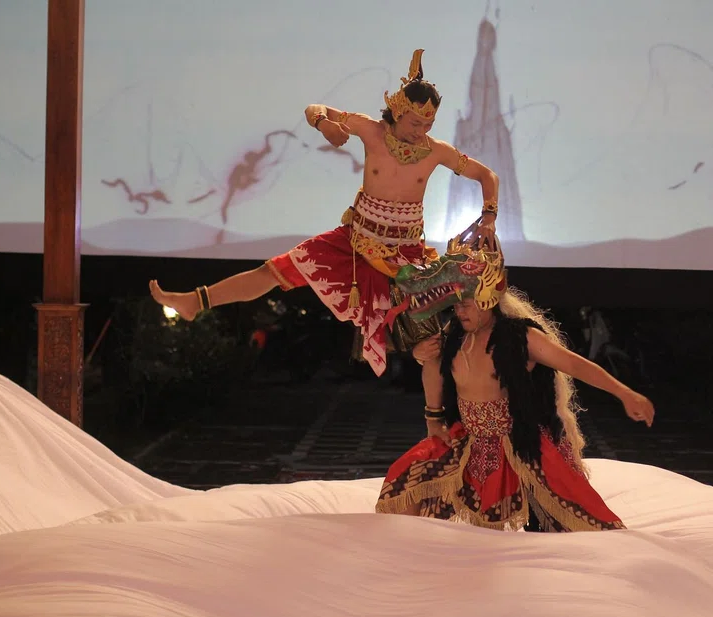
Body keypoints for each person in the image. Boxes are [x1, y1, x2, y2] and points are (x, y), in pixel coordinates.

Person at [149, 49, 499, 376]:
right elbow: (314, 108)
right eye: (414, 123)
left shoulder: (437, 151)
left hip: (405, 255)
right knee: (273, 271)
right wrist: (324, 124)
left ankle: (446, 407)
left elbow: (487, 176)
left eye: (428, 124)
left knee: (431, 342)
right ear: (397, 110)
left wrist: (489, 216)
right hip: (354, 242)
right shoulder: (370, 130)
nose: (421, 132)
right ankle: (196, 301)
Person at [375, 231, 655, 532]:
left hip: (520, 443)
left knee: (580, 525)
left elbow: (574, 364)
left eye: (466, 303)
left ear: (487, 299)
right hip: (469, 440)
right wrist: (432, 414)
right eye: (456, 304)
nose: (459, 311)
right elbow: (432, 365)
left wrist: (624, 393)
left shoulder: (521, 338)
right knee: (403, 486)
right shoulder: (454, 334)